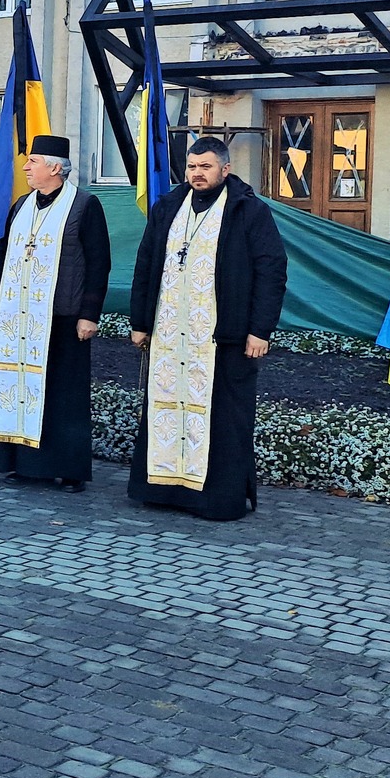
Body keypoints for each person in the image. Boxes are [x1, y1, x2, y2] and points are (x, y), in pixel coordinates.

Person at [127, 137, 288, 520]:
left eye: (206, 167)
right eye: (192, 167)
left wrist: (260, 331)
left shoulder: (248, 211)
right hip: (170, 337)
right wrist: (140, 322)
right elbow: (146, 263)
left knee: (225, 418)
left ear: (225, 169)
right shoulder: (167, 207)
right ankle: (164, 490)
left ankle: (218, 498)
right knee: (166, 410)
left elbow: (271, 272)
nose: (197, 174)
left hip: (223, 338)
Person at [0, 136, 111, 492]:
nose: (25, 167)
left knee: (62, 398)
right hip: (18, 316)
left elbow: (99, 264)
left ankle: (68, 469)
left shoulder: (85, 205)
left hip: (64, 317)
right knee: (20, 386)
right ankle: (20, 462)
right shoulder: (21, 204)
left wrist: (89, 314)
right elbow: (1, 258)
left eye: (33, 161)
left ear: (55, 167)